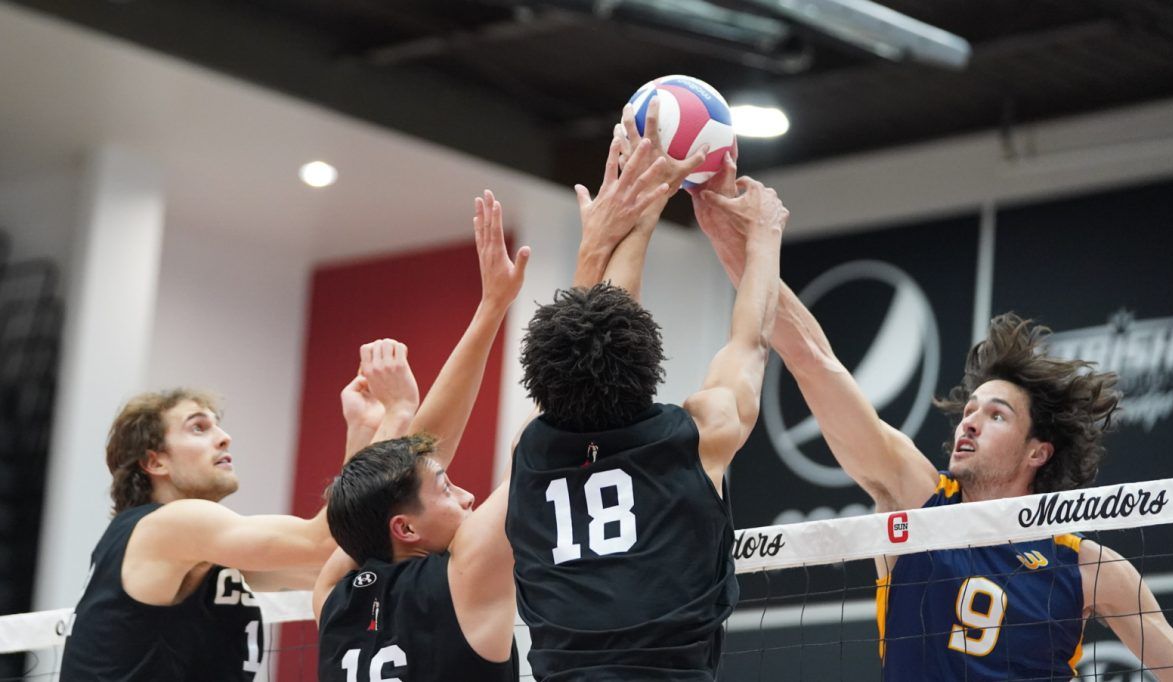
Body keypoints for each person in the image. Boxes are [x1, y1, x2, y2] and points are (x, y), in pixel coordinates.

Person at [693, 156, 1173, 680]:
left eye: (996, 415)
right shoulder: (916, 503)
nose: (970, 423)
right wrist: (742, 241)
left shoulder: (1088, 568)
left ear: (1037, 451)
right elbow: (813, 360)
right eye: (970, 410)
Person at [506, 99, 789, 681]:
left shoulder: (530, 455)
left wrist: (644, 209)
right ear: (649, 359)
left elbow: (593, 340)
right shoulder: (697, 434)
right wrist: (763, 235)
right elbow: (751, 344)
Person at [59, 338, 415, 681]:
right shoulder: (170, 524)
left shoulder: (200, 555)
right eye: (198, 427)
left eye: (217, 424)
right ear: (155, 462)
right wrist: (397, 412)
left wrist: (363, 428)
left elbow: (332, 564)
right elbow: (321, 541)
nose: (224, 436)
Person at [313, 190, 530, 681]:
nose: (470, 495)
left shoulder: (332, 598)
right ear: (405, 529)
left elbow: (392, 482)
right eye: (449, 490)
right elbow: (535, 450)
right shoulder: (465, 574)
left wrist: (493, 306)